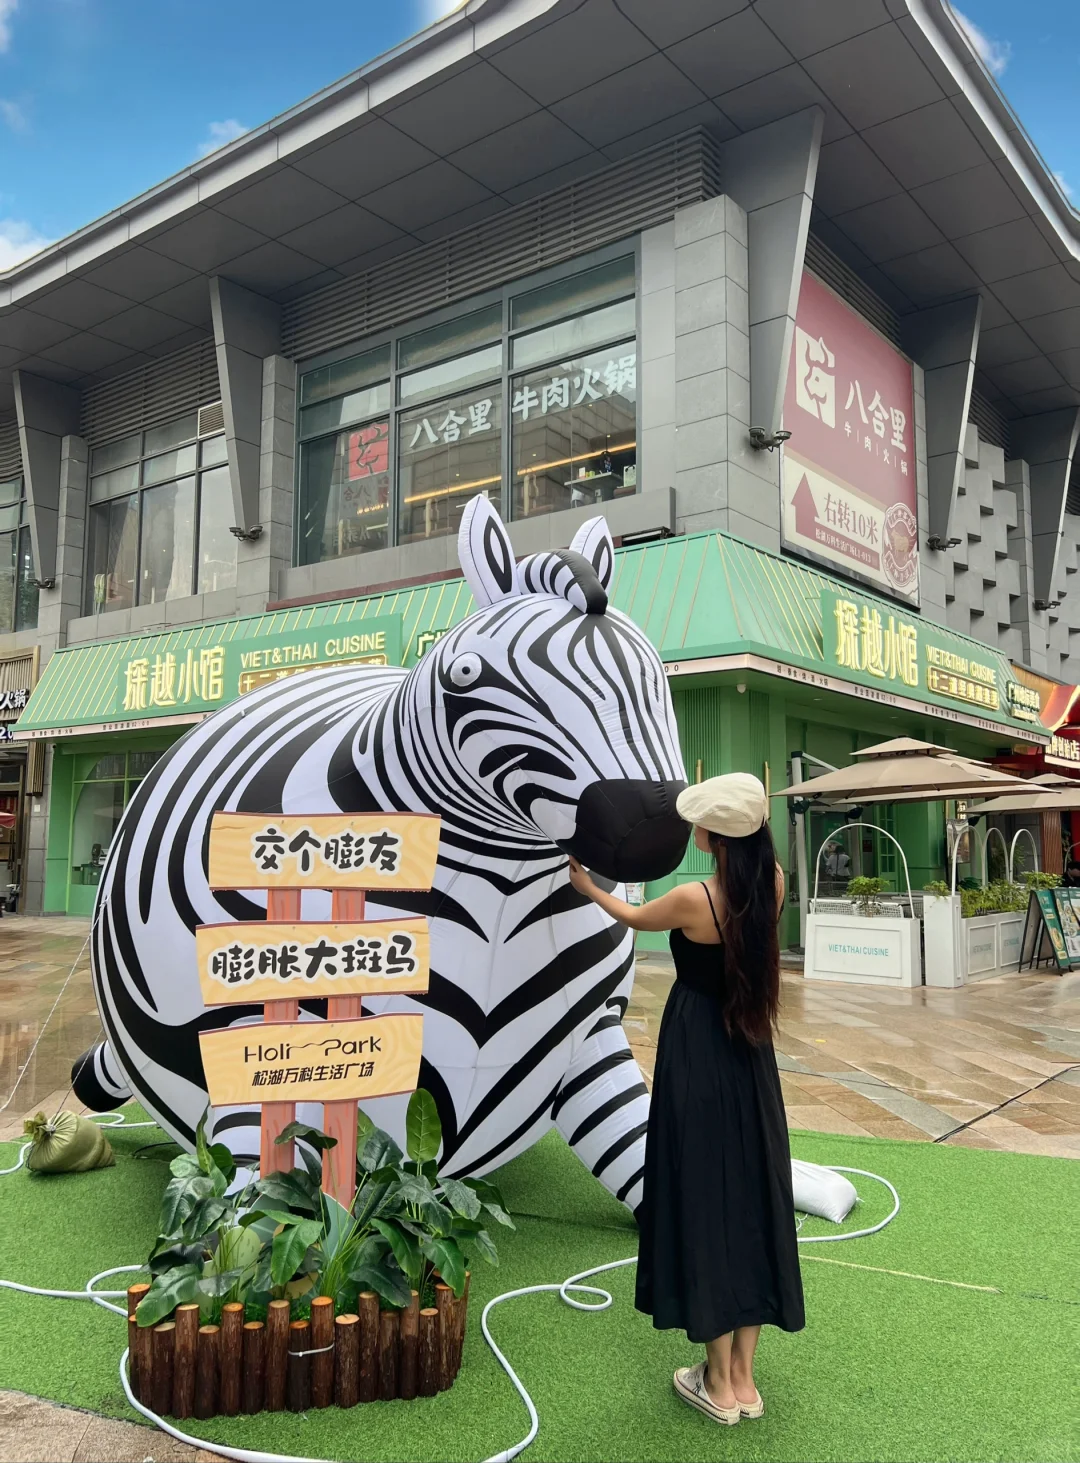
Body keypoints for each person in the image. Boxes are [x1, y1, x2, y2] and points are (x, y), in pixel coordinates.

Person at [568, 772, 804, 1426]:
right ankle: (745, 1380)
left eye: (701, 823)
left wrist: (588, 885)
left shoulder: (692, 899)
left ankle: (717, 1383)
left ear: (715, 837)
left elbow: (631, 917)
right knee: (751, 1197)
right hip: (751, 1052)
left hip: (698, 1048)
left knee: (703, 1198)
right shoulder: (773, 882)